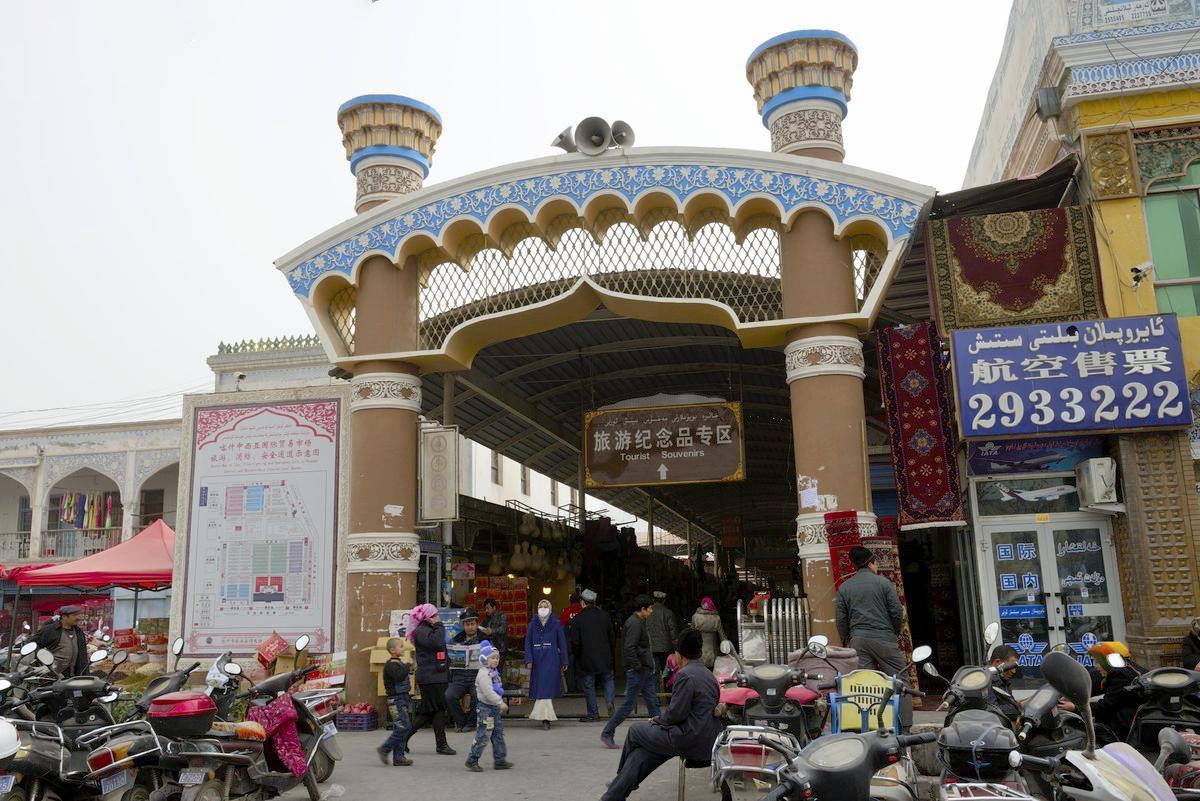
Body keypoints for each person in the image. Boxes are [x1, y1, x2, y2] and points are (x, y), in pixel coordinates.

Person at [600, 629, 723, 801]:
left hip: (687, 738)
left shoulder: (685, 675)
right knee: (642, 754)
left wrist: (658, 720)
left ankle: (619, 781)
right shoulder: (708, 675)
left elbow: (676, 714)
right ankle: (613, 795)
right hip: (705, 739)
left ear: (679, 654)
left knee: (635, 731)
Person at [835, 545, 911, 729]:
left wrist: (848, 638)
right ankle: (906, 728)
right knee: (900, 681)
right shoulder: (883, 583)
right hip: (884, 638)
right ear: (871, 563)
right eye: (876, 564)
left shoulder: (845, 587)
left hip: (858, 640)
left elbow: (841, 619)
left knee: (865, 685)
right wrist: (894, 632)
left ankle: (868, 727)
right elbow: (896, 611)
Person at [1058, 641, 1145, 745]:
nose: (1095, 666)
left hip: (1124, 729)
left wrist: (1075, 708)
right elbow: (1094, 686)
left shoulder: (1121, 675)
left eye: (1097, 662)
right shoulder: (1121, 670)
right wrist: (1071, 695)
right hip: (1125, 722)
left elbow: (1106, 706)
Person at [601, 595, 660, 749]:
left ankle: (662, 733)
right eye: (650, 608)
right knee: (628, 705)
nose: (652, 611)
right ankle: (607, 732)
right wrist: (637, 666)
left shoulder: (638, 621)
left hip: (644, 669)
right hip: (638, 670)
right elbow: (629, 648)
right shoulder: (635, 623)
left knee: (653, 702)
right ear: (643, 609)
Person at [403, 603, 456, 756]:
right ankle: (402, 739)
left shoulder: (427, 630)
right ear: (428, 617)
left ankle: (441, 744)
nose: (438, 618)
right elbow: (437, 642)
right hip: (430, 677)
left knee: (435, 710)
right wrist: (439, 625)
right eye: (435, 615)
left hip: (436, 675)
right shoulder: (422, 631)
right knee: (431, 711)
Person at [465, 640, 514, 772]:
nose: (496, 660)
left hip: (493, 709)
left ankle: (500, 760)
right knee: (483, 735)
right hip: (486, 709)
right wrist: (500, 703)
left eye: (497, 657)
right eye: (492, 657)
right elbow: (488, 692)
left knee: (498, 734)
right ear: (484, 658)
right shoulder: (484, 674)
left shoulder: (493, 672)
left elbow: (497, 687)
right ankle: (472, 759)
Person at [571, 588, 616, 723]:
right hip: (605, 655)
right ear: (594, 602)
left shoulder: (578, 619)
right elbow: (612, 637)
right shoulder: (605, 616)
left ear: (582, 603)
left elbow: (575, 642)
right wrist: (610, 653)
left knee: (589, 684)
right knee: (608, 679)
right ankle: (609, 701)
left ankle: (593, 713)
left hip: (586, 657)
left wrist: (576, 655)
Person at [525, 599, 569, 730]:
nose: (543, 608)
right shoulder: (532, 624)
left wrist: (565, 660)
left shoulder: (556, 624)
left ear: (550, 609)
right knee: (542, 689)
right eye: (540, 606)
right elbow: (527, 643)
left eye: (545, 606)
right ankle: (545, 717)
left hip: (551, 660)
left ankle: (544, 717)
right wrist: (528, 659)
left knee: (545, 689)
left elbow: (562, 643)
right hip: (537, 661)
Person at [377, 637, 414, 766]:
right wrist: (408, 666)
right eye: (401, 646)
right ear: (393, 650)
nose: (403, 649)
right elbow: (399, 676)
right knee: (404, 727)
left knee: (402, 727)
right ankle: (384, 749)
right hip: (396, 700)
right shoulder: (391, 665)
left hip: (402, 698)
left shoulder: (398, 663)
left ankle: (399, 757)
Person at [446, 608, 482, 732]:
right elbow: (448, 659)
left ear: (477, 625)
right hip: (459, 678)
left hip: (477, 677)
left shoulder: (485, 640)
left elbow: (493, 657)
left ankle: (471, 722)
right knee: (449, 695)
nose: (470, 627)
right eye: (467, 624)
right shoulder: (455, 640)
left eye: (473, 624)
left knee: (477, 695)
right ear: (463, 626)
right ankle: (461, 721)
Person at [34, 604, 88, 677]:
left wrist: (85, 675)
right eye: (74, 615)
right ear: (64, 617)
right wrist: (44, 658)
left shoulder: (78, 632)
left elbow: (83, 656)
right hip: (54, 675)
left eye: (78, 615)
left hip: (74, 675)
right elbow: (32, 645)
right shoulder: (50, 630)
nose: (78, 618)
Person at [646, 591, 679, 683]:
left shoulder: (647, 613)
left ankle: (655, 697)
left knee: (654, 674)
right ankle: (668, 696)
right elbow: (673, 634)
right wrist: (676, 648)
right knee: (667, 673)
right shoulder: (668, 613)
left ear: (653, 600)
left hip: (651, 647)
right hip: (665, 648)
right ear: (664, 601)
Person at [987, 644, 1023, 724]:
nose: (1014, 671)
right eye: (1011, 666)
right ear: (997, 662)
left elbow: (1011, 705)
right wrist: (1020, 706)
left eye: (1015, 667)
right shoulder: (985, 681)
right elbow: (992, 710)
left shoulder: (1004, 681)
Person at [691, 597, 727, 669]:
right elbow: (722, 635)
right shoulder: (716, 618)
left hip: (699, 650)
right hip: (712, 650)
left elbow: (692, 634)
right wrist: (726, 646)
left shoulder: (695, 617)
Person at [560, 592, 584, 693]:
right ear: (580, 601)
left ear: (570, 601)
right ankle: (581, 687)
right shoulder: (583, 611)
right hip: (582, 645)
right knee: (581, 667)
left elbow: (560, 628)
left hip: (568, 645)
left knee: (569, 668)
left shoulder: (566, 611)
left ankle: (571, 688)